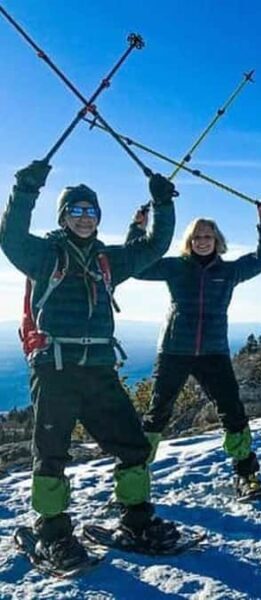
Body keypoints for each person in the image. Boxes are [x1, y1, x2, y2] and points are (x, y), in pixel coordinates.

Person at [0, 159, 177, 568]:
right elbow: (10, 238)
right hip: (55, 368)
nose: (84, 217)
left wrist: (163, 204)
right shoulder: (44, 254)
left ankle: (136, 521)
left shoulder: (107, 259)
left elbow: (153, 247)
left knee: (133, 445)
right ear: (63, 217)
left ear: (98, 216)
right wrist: (25, 189)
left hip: (99, 368)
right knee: (51, 453)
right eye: (76, 211)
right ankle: (53, 533)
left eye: (90, 211)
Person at [126, 202, 261, 501]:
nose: (202, 241)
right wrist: (137, 228)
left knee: (232, 411)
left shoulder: (229, 271)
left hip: (213, 351)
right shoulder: (176, 267)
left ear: (217, 240)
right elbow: (137, 266)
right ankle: (133, 480)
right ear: (189, 241)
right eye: (196, 237)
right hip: (174, 350)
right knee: (157, 413)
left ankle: (246, 475)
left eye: (207, 236)